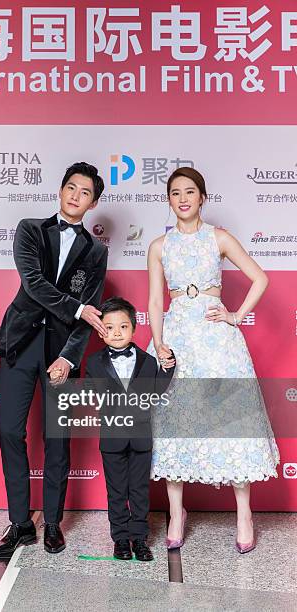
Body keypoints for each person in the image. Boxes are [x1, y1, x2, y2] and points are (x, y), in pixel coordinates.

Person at [147, 167, 279, 554]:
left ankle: (244, 515)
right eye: (175, 193)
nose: (183, 198)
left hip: (218, 340)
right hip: (178, 339)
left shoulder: (218, 238)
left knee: (232, 419)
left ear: (202, 197)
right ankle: (176, 513)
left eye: (190, 191)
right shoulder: (159, 246)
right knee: (175, 422)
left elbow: (260, 278)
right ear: (169, 201)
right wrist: (158, 342)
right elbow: (156, 301)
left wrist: (235, 316)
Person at [0, 162, 108, 556]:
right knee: (10, 430)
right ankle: (21, 523)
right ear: (60, 191)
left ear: (93, 203)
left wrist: (70, 359)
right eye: (70, 187)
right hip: (20, 342)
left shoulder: (96, 251)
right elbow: (33, 284)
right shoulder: (30, 229)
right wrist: (77, 309)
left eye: (85, 192)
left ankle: (53, 523)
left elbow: (92, 309)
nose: (75, 196)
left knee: (57, 438)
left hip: (60, 353)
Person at [85, 297, 175, 562]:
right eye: (109, 328)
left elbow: (158, 390)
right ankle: (121, 540)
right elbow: (90, 393)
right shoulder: (93, 363)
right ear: (101, 332)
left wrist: (168, 366)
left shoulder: (147, 361)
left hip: (140, 437)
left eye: (123, 327)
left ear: (134, 329)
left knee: (139, 491)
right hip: (112, 438)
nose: (116, 333)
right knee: (116, 492)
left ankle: (140, 539)